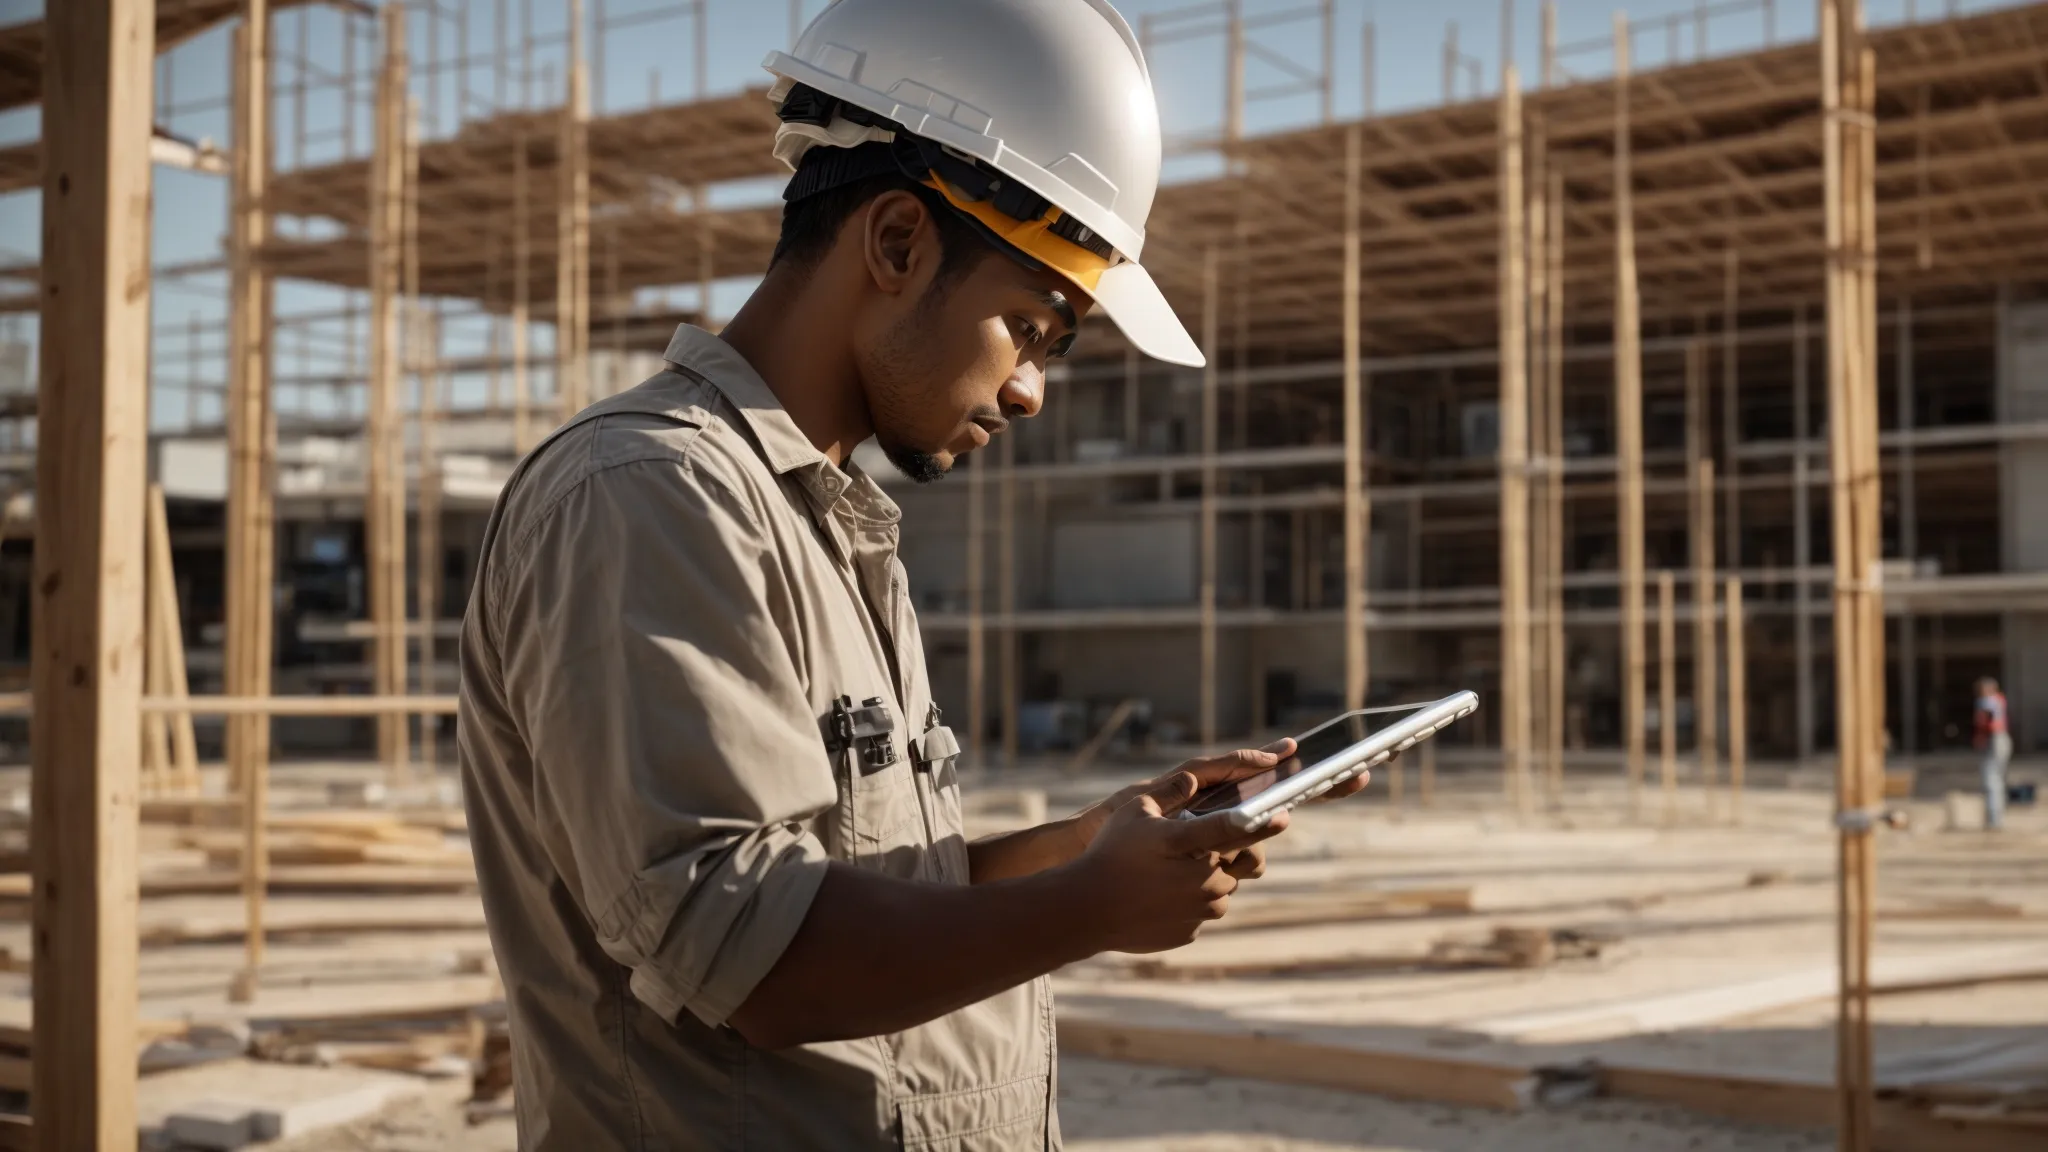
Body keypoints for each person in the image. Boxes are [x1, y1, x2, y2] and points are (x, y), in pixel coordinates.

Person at [456, 1, 1371, 1147]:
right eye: (1031, 328)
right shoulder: (648, 495)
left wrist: (1090, 845)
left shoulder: (824, 520)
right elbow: (750, 955)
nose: (1030, 390)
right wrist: (1090, 907)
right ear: (896, 243)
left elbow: (874, 884)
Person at [1975, 676, 2012, 831]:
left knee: (1991, 780)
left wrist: (1981, 736)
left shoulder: (1987, 701)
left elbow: (1986, 719)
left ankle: (1994, 819)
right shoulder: (1999, 699)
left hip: (1994, 740)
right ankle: (1996, 817)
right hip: (2001, 739)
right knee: (1997, 779)